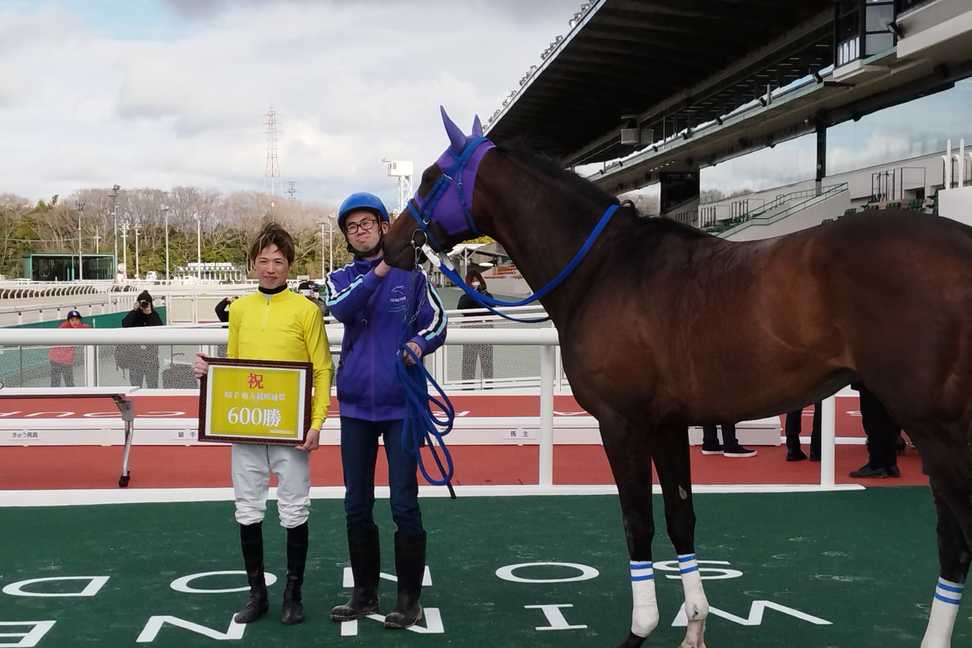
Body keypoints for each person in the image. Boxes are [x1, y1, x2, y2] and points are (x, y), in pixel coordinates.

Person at [193, 223, 334, 625]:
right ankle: (257, 594)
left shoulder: (306, 310)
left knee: (294, 510)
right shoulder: (239, 309)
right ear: (252, 264)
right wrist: (210, 373)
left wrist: (317, 421)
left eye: (278, 261)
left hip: (291, 429)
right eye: (263, 261)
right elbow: (235, 368)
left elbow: (322, 370)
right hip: (249, 428)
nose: (270, 268)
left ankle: (293, 592)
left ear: (289, 265)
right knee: (248, 509)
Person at [323, 192, 447, 630]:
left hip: (402, 407)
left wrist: (419, 342)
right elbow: (342, 308)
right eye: (352, 227)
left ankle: (408, 599)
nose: (360, 232)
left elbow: (437, 320)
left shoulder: (414, 276)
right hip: (356, 406)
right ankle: (364, 594)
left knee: (404, 504)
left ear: (382, 225)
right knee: (356, 504)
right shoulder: (338, 278)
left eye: (367, 224)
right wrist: (382, 268)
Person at [849, 383, 901, 478]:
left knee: (873, 419)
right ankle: (890, 464)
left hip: (872, 381)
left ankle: (877, 465)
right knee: (888, 418)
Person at [457, 268, 494, 386]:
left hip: (486, 331)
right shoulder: (465, 297)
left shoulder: (487, 295)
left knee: (487, 362)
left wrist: (481, 295)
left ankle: (489, 387)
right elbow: (461, 308)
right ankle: (467, 388)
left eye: (477, 281)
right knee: (469, 362)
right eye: (472, 282)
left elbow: (492, 307)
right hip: (469, 331)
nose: (475, 284)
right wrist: (472, 294)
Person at [121, 290, 164, 388]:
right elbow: (125, 324)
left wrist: (149, 313)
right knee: (135, 387)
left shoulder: (154, 315)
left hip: (151, 357)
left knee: (153, 386)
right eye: (142, 303)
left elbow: (160, 329)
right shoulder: (134, 314)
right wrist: (134, 311)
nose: (144, 305)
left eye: (146, 303)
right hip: (135, 358)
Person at [48, 310, 89, 386]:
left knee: (69, 382)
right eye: (72, 320)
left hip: (67, 361)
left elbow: (85, 328)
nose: (75, 322)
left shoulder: (79, 327)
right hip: (55, 360)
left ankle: (72, 397)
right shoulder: (64, 327)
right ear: (68, 321)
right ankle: (54, 397)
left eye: (77, 319)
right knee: (55, 383)